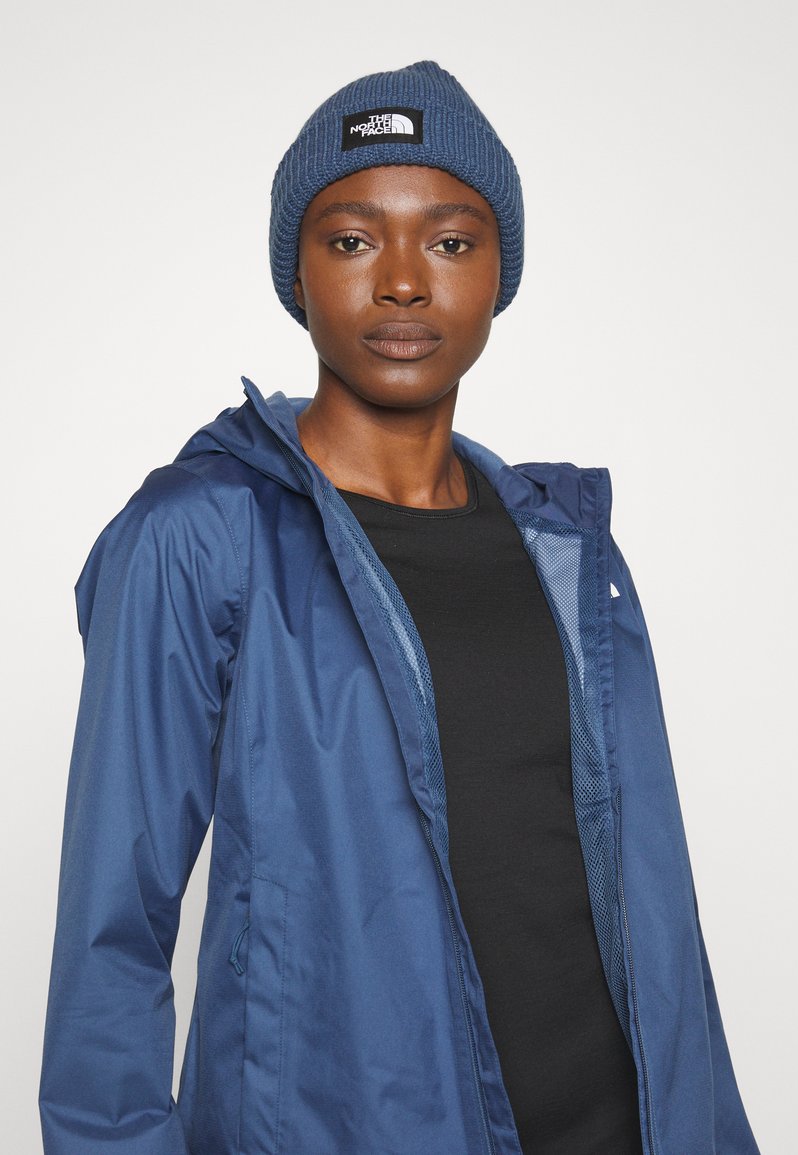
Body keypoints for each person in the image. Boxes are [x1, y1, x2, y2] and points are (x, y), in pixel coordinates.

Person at [39, 60, 759, 1154]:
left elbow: (657, 921)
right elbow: (112, 934)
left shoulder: (566, 548)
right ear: (296, 271)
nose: (405, 283)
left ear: (500, 271)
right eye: (351, 239)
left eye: (452, 242)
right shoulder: (199, 535)